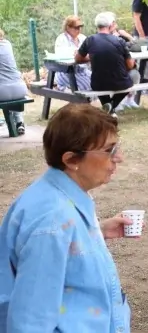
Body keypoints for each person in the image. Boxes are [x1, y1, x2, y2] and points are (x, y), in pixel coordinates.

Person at [0, 104, 135, 332]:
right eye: (109, 150)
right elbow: (30, 321)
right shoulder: (52, 222)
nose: (119, 157)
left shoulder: (60, 198)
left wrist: (95, 232)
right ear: (72, 160)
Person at [76, 12, 141, 115]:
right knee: (130, 82)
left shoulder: (89, 40)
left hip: (97, 84)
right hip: (120, 83)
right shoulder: (119, 41)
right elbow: (129, 65)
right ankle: (112, 105)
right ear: (110, 25)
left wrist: (92, 57)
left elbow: (78, 59)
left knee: (101, 82)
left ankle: (109, 108)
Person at [53, 15, 93, 93]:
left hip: (83, 71)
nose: (79, 29)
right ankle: (64, 87)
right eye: (76, 27)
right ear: (68, 27)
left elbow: (90, 53)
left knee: (99, 83)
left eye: (80, 27)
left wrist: (80, 55)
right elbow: (68, 57)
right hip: (67, 72)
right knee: (85, 88)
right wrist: (82, 56)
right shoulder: (61, 39)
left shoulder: (83, 38)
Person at [0, 30, 27, 135]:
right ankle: (20, 122)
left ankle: (18, 124)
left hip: (2, 92)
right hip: (20, 89)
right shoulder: (7, 44)